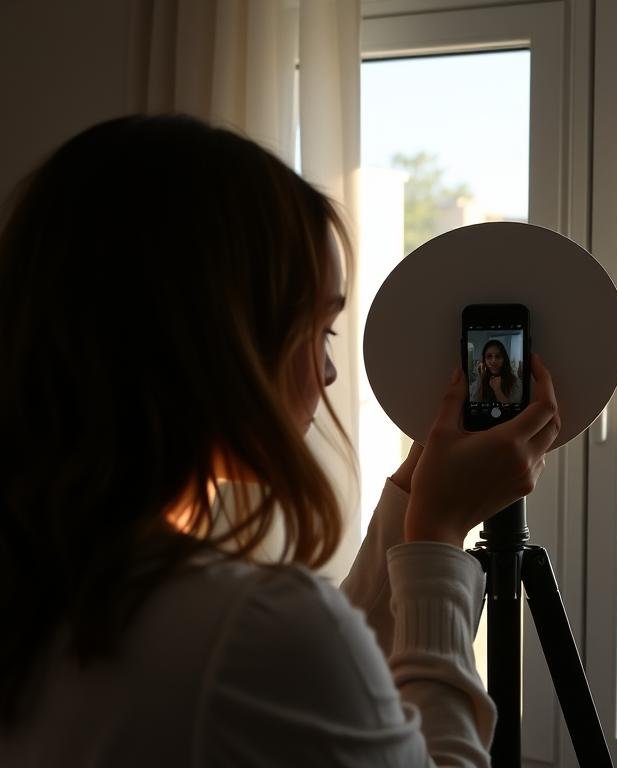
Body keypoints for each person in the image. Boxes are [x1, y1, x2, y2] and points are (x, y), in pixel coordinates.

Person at [0, 114, 560, 767]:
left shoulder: (53, 577)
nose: (326, 372)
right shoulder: (246, 631)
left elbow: (328, 694)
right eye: (319, 330)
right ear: (218, 340)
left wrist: (412, 505)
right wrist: (436, 538)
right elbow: (299, 662)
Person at [471, 339, 522, 405]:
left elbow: (512, 409)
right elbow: (475, 403)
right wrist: (482, 379)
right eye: (489, 356)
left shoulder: (515, 383)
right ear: (484, 360)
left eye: (498, 356)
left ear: (504, 359)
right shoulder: (479, 381)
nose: (493, 361)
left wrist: (497, 390)